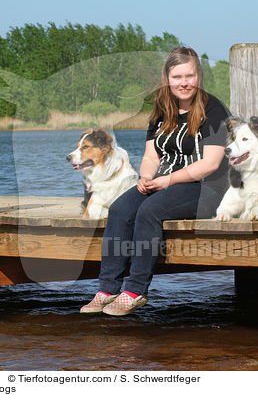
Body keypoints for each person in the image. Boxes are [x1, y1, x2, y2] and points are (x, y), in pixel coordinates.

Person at [80, 47, 230, 316]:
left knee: (150, 210)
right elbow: (151, 154)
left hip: (206, 188)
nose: (184, 83)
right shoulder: (162, 109)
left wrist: (168, 181)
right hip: (164, 182)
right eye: (177, 77)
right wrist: (147, 176)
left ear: (199, 76)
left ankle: (135, 290)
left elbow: (211, 163)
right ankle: (107, 289)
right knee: (120, 209)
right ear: (167, 79)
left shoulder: (214, 109)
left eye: (189, 76)